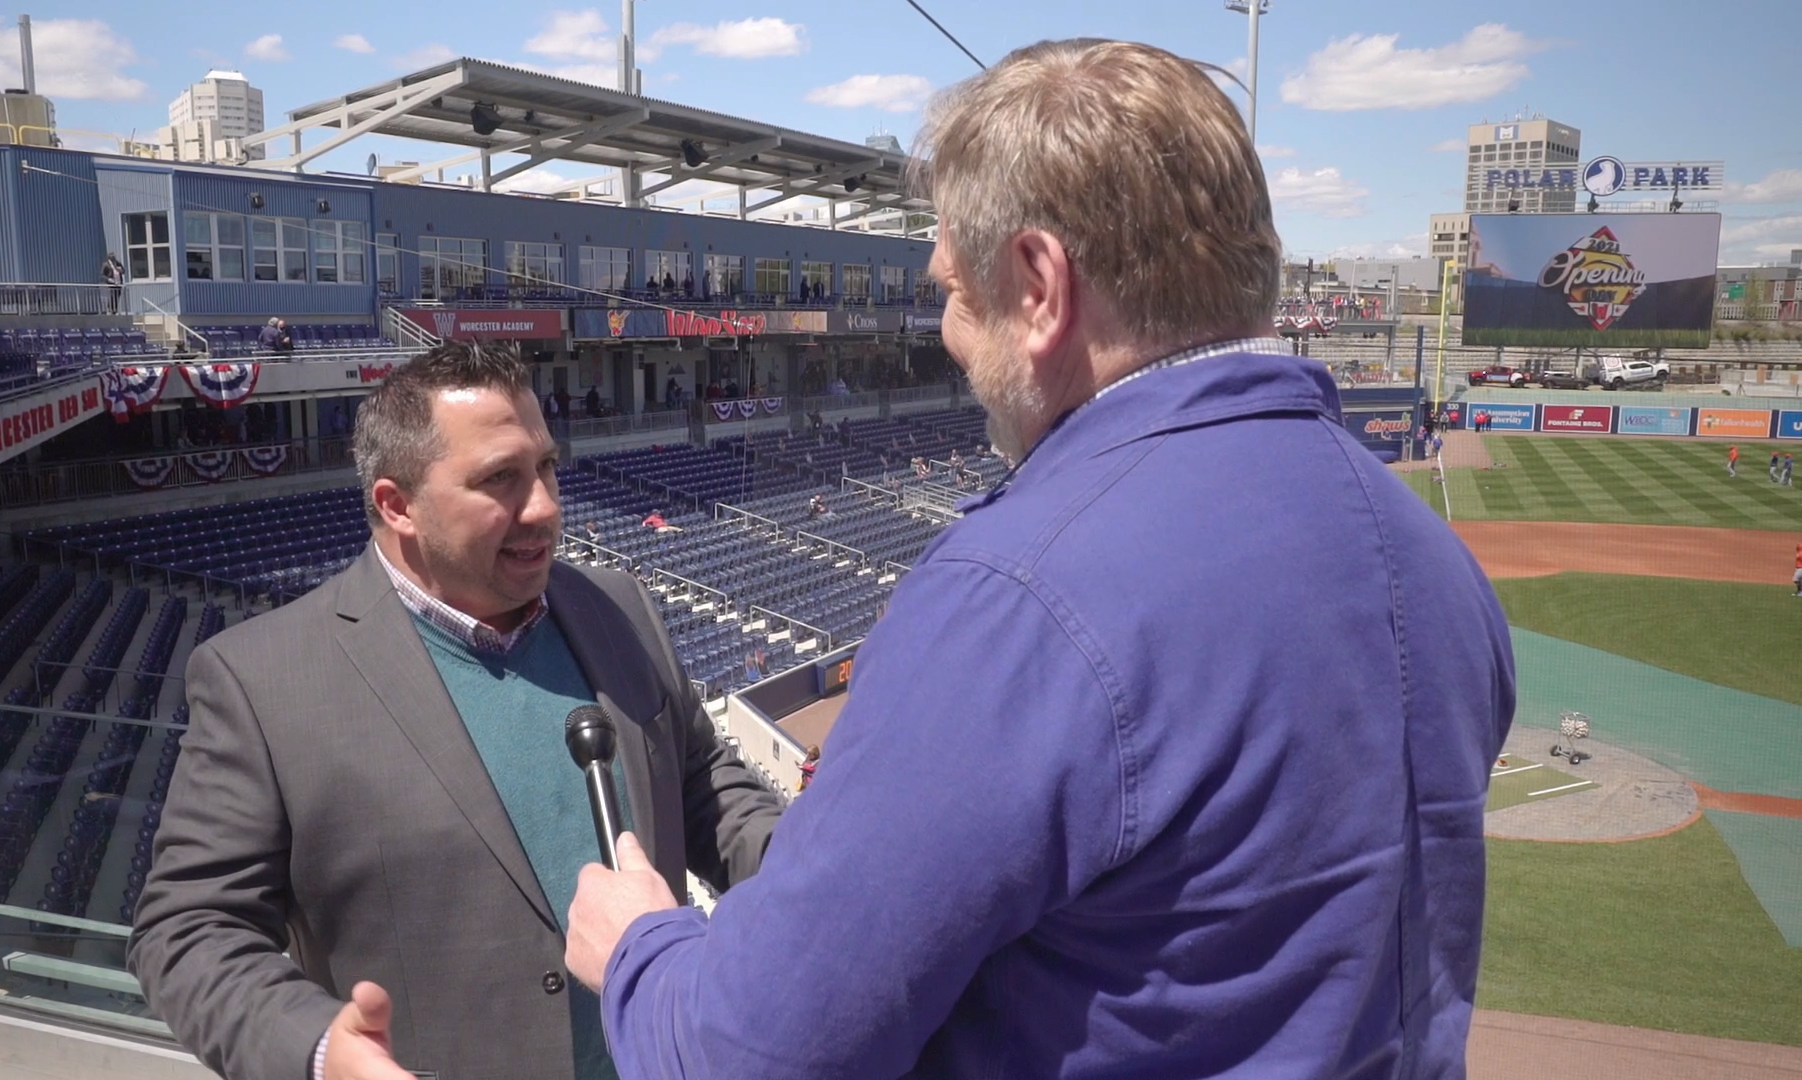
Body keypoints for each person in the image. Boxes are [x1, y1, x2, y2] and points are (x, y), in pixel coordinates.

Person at [564, 40, 1515, 1080]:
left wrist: (642, 950)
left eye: (954, 292)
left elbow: (752, 1055)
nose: (949, 337)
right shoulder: (1429, 553)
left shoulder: (1014, 596)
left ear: (1038, 282)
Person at [128, 342, 782, 1080]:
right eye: (500, 479)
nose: (544, 506)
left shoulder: (615, 605)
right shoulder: (261, 680)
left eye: (545, 467)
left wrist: (818, 871)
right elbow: (187, 930)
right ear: (397, 505)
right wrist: (319, 1051)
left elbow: (702, 787)